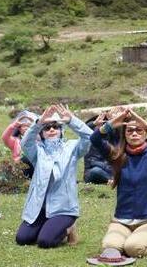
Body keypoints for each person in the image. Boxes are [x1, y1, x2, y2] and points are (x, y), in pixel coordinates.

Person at [90, 108, 147, 256]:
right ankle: (136, 240)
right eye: (129, 131)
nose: (134, 133)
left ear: (146, 134)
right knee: (110, 247)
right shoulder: (117, 156)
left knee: (132, 248)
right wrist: (112, 123)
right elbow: (95, 139)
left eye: (139, 130)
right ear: (124, 134)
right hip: (121, 221)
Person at [16, 104, 92, 248]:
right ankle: (49, 226)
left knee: (45, 242)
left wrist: (72, 121)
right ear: (42, 133)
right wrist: (38, 123)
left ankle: (69, 228)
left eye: (55, 127)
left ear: (61, 130)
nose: (51, 130)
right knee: (22, 239)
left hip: (63, 208)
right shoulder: (37, 151)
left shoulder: (72, 148)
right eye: (47, 127)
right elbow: (25, 142)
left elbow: (90, 137)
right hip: (40, 208)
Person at [1, 110, 37, 178]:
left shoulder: (37, 140)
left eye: (29, 126)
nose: (26, 128)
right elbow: (5, 137)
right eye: (23, 126)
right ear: (19, 129)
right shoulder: (15, 141)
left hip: (34, 169)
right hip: (19, 169)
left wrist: (35, 125)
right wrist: (14, 124)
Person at [84, 111, 115, 185]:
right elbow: (83, 129)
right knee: (96, 171)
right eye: (99, 125)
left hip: (109, 170)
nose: (101, 127)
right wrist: (94, 123)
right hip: (93, 171)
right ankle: (113, 180)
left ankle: (112, 179)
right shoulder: (89, 139)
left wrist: (113, 121)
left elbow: (122, 132)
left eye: (104, 125)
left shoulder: (111, 138)